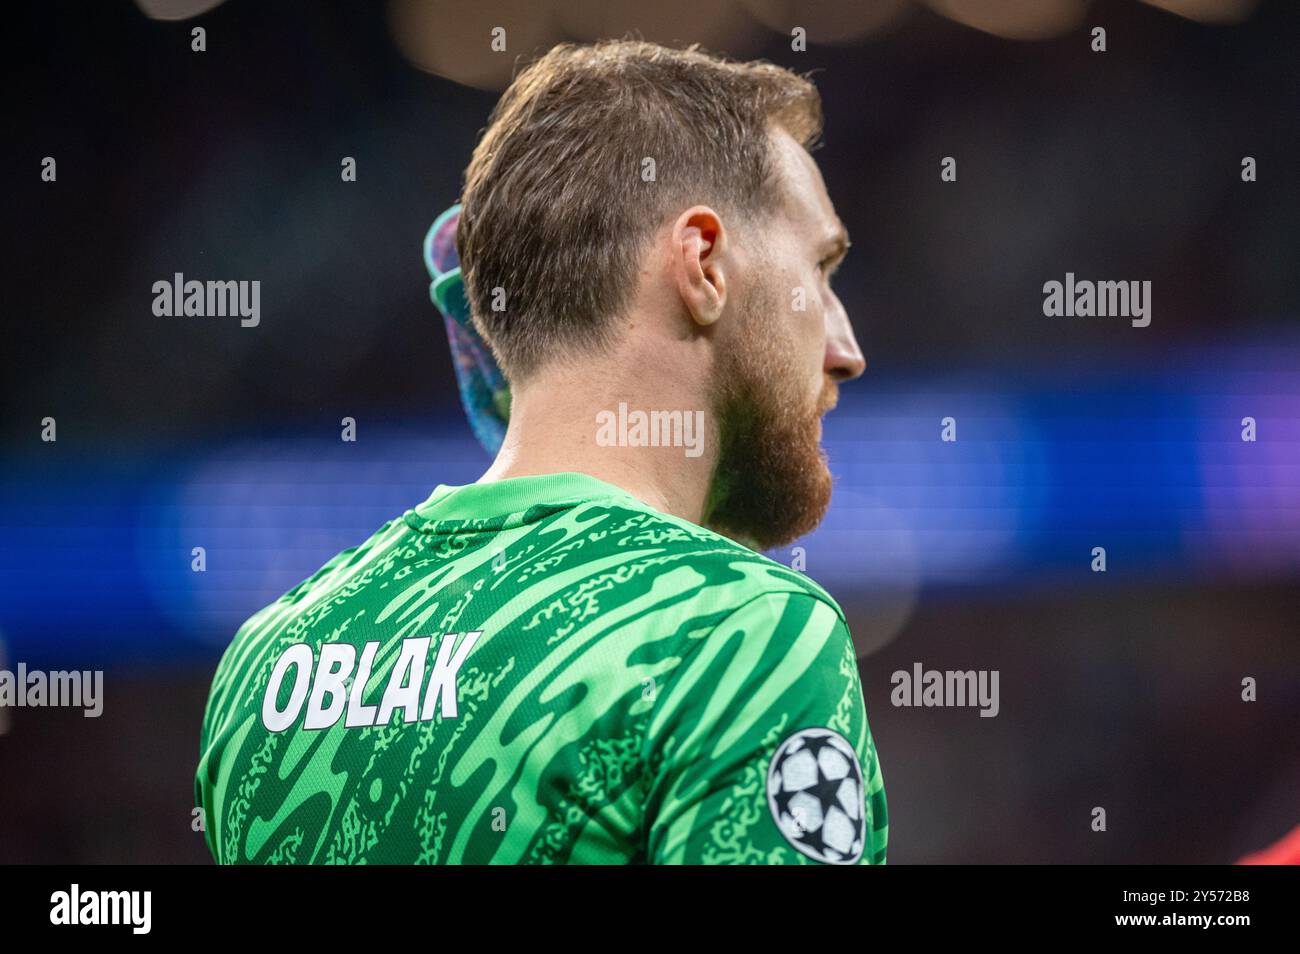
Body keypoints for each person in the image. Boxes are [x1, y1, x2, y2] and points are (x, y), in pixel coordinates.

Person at [196, 39, 885, 865]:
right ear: (702, 264)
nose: (846, 348)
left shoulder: (269, 656)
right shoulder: (741, 631)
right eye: (820, 267)